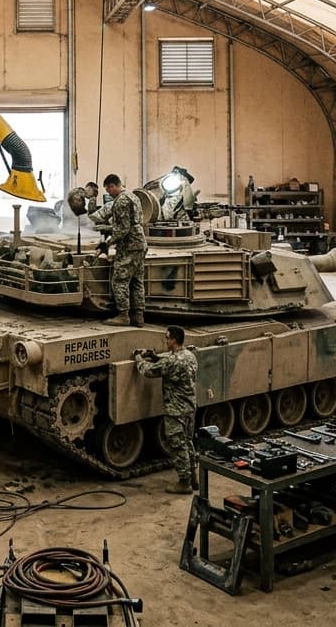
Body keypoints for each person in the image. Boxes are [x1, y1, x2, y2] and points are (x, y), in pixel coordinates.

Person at [135, 326, 198, 494]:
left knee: (177, 444)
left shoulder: (172, 361)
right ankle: (193, 476)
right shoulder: (189, 356)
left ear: (174, 340)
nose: (166, 341)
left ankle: (184, 483)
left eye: (167, 338)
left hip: (175, 410)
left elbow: (148, 371)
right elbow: (169, 362)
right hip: (189, 408)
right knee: (187, 442)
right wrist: (154, 356)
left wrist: (139, 358)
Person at [100, 173, 147, 326]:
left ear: (113, 186)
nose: (109, 193)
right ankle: (138, 316)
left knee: (120, 280)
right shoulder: (133, 196)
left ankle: (123, 316)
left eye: (108, 190)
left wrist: (107, 243)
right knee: (137, 281)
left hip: (129, 246)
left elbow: (123, 229)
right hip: (140, 243)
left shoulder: (121, 201)